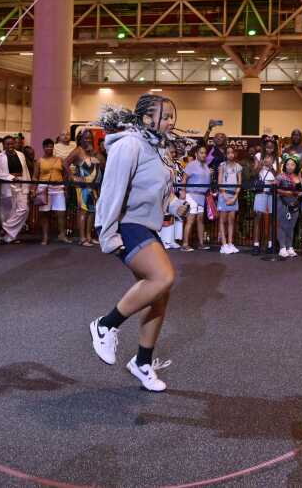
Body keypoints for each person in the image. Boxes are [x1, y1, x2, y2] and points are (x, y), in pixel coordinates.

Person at [89, 94, 191, 392]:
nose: (171, 122)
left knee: (159, 295)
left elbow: (158, 192)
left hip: (145, 225)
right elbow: (112, 191)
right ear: (147, 118)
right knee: (163, 277)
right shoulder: (130, 144)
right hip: (127, 224)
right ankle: (105, 325)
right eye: (166, 116)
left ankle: (142, 362)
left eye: (172, 116)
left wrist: (175, 206)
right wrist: (108, 234)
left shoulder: (158, 148)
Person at [0, 135, 32, 244]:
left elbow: (26, 171)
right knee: (9, 212)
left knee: (24, 209)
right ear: (3, 145)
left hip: (21, 183)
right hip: (8, 184)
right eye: (7, 144)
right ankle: (10, 237)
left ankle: (5, 228)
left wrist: (28, 185)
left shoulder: (21, 154)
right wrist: (11, 177)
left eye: (12, 143)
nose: (10, 145)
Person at [35, 138, 69, 244]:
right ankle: (45, 237)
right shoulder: (39, 161)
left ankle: (62, 235)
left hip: (58, 188)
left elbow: (66, 173)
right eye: (47, 146)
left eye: (51, 146)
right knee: (44, 213)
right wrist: (33, 190)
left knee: (61, 212)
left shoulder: (59, 160)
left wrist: (65, 187)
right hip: (44, 189)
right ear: (43, 148)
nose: (49, 148)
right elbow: (35, 176)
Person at [180, 144, 212, 251]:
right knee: (190, 219)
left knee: (200, 220)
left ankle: (201, 244)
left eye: (205, 153)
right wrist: (183, 191)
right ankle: (185, 244)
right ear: (196, 154)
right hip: (191, 195)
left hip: (202, 196)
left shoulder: (206, 166)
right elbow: (184, 179)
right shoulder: (191, 165)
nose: (204, 155)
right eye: (201, 153)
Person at [215, 146, 243, 254]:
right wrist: (224, 196)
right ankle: (224, 244)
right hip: (224, 195)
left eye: (232, 152)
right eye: (228, 152)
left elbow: (239, 183)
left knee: (231, 220)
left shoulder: (238, 167)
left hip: (234, 196)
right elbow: (219, 182)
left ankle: (230, 243)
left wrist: (235, 197)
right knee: (223, 220)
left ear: (235, 154)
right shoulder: (222, 166)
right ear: (226, 154)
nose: (230, 154)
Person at [275, 154, 302, 258]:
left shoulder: (298, 177)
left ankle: (289, 247)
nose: (290, 166)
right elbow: (274, 188)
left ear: (296, 166)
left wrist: (299, 193)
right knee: (282, 225)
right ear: (285, 166)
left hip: (294, 204)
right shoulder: (280, 176)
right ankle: (282, 248)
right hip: (282, 203)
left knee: (291, 226)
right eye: (288, 164)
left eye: (292, 164)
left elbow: (301, 191)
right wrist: (288, 193)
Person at [251, 153, 276, 256]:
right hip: (260, 193)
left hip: (272, 194)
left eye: (269, 158)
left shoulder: (277, 163)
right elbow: (253, 174)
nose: (267, 159)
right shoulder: (260, 163)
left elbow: (279, 176)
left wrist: (272, 168)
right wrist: (261, 165)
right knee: (258, 217)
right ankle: (256, 245)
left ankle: (270, 245)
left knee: (271, 219)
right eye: (266, 157)